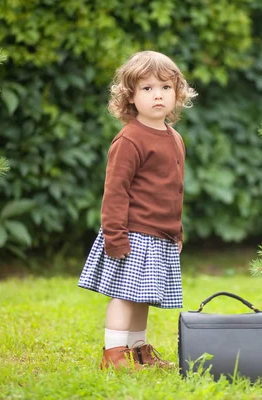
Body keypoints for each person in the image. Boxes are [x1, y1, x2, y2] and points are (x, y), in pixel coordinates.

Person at [78, 50, 197, 371]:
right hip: (132, 233)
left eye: (165, 88)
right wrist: (115, 236)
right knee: (125, 295)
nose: (157, 95)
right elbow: (115, 192)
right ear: (130, 96)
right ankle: (114, 354)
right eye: (147, 89)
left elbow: (173, 192)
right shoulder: (129, 139)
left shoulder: (175, 138)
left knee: (144, 296)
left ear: (178, 94)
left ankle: (137, 349)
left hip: (160, 234)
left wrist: (176, 231)